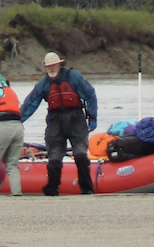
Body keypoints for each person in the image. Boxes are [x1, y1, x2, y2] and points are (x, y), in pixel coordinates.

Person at [19, 51, 98, 195]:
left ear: (60, 64)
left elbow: (90, 95)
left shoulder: (74, 77)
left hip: (76, 119)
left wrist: (92, 119)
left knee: (80, 154)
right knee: (54, 156)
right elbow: (30, 104)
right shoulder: (44, 84)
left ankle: (87, 188)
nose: (51, 68)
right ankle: (52, 188)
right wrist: (17, 120)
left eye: (53, 65)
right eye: (48, 66)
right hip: (55, 120)